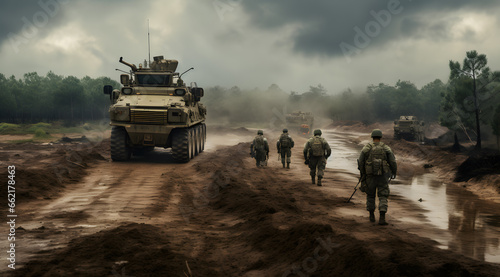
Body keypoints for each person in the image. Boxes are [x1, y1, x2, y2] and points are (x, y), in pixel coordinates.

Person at [358, 129, 397, 225]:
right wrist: (393, 172)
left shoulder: (366, 148)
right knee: (383, 195)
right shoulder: (386, 148)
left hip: (370, 176)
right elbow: (392, 162)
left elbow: (360, 162)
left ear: (372, 137)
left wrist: (363, 174)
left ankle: (371, 215)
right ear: (380, 137)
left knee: (370, 195)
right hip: (383, 176)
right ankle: (382, 218)